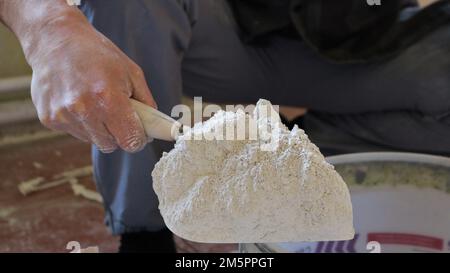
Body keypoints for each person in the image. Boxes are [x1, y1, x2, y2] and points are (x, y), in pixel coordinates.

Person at [1, 0, 449, 252]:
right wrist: (49, 27)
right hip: (224, 26)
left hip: (374, 38)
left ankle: (276, 153)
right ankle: (145, 236)